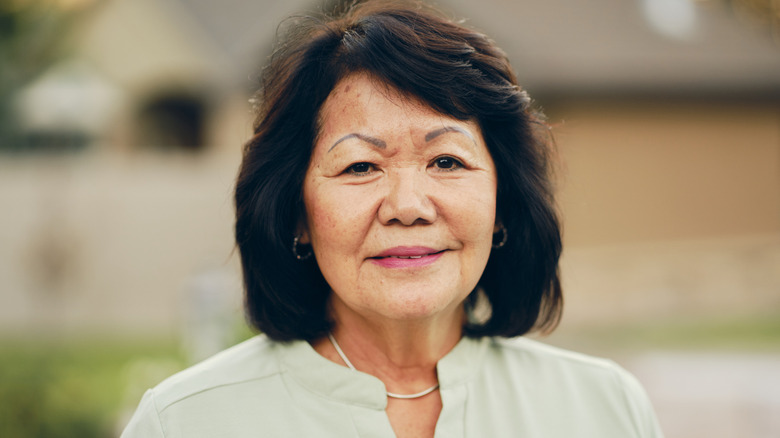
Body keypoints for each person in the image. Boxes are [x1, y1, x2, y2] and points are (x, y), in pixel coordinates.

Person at [122, 1, 664, 437]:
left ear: (503, 204)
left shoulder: (603, 408)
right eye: (360, 166)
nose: (408, 206)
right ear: (297, 216)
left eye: (447, 161)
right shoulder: (186, 422)